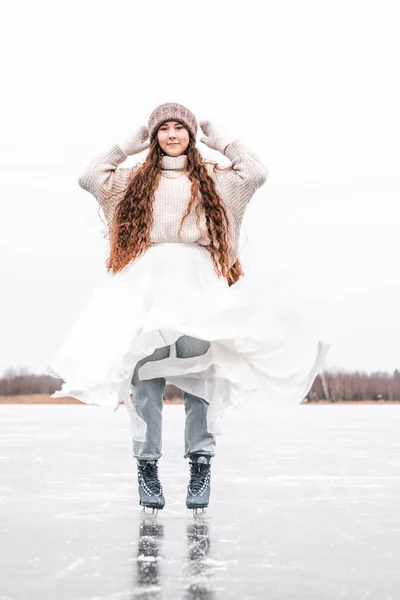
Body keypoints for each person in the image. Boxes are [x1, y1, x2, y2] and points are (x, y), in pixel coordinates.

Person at [47, 102, 330, 515]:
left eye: (181, 128)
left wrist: (226, 142)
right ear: (154, 136)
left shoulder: (216, 181)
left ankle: (201, 463)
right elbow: (89, 177)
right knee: (147, 379)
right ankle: (147, 466)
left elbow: (256, 174)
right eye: (164, 128)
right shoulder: (132, 181)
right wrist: (124, 147)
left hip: (199, 287)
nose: (173, 135)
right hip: (147, 287)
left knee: (200, 375)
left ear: (191, 136)